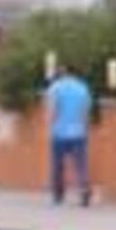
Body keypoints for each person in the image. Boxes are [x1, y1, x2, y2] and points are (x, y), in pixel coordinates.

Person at [45, 57, 94, 208]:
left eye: (61, 69)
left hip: (59, 132)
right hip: (78, 133)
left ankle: (58, 193)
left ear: (64, 71)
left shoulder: (56, 87)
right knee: (81, 165)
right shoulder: (83, 88)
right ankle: (84, 188)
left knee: (57, 165)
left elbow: (53, 109)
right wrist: (85, 129)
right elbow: (85, 112)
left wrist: (49, 125)